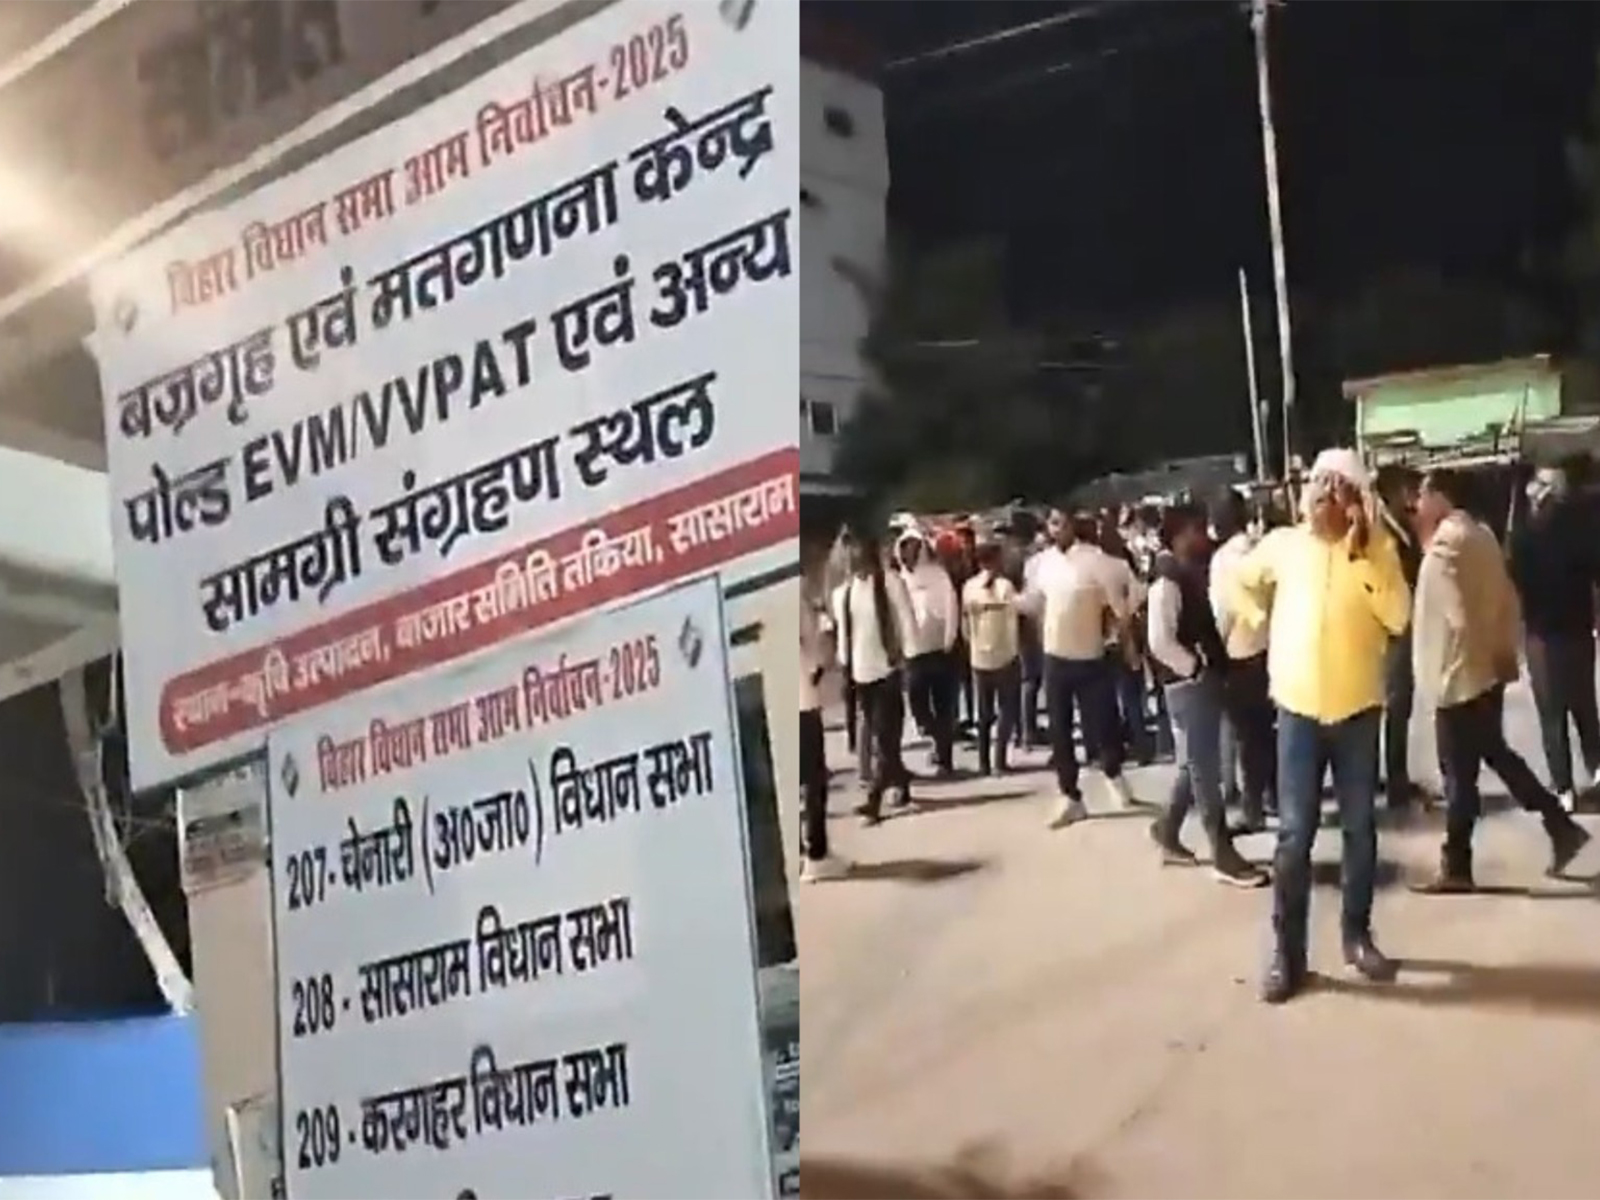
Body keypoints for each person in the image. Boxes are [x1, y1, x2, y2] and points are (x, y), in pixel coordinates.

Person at [1228, 448, 1411, 1004]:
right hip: (1299, 710)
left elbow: (1399, 616)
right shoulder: (1283, 546)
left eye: (1335, 490)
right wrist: (1260, 620)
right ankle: (1289, 954)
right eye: (1315, 486)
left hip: (1357, 712)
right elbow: (1237, 582)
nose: (1320, 498)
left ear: (1356, 501)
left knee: (1359, 830)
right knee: (1294, 836)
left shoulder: (1378, 553)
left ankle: (1357, 937)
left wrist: (1366, 548)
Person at [1410, 469, 1591, 891]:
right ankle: (1555, 826)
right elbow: (1508, 598)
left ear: (1441, 497)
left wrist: (1481, 654)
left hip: (1456, 680)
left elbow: (1458, 617)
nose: (1417, 504)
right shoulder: (1484, 536)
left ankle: (1459, 864)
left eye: (1423, 494)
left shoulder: (1443, 549)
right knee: (1493, 758)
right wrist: (1502, 655)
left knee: (1460, 775)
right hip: (1483, 673)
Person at [1147, 503, 1268, 886]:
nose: (1205, 537)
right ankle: (1222, 852)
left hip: (1202, 679)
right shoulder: (1166, 580)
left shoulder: (1187, 572)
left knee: (1192, 762)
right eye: (1197, 530)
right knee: (1205, 769)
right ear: (1179, 535)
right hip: (1188, 685)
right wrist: (1194, 668)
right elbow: (1159, 640)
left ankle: (1167, 829)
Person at [1023, 507, 1138, 826]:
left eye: (1061, 522)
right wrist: (1009, 602)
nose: (1055, 528)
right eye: (1051, 523)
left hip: (1090, 657)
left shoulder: (1095, 560)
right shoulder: (1040, 564)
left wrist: (1126, 642)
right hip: (1055, 657)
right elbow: (1034, 603)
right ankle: (1071, 796)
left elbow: (1120, 605)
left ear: (1073, 526)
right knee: (1060, 730)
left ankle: (1114, 773)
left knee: (1103, 726)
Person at [1509, 462, 1600, 809]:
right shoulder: (1581, 531)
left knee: (1552, 715)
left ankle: (1563, 788)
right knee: (1584, 707)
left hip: (1542, 638)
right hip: (1577, 632)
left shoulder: (1526, 536)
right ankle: (1595, 769)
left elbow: (1513, 575)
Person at [835, 535, 916, 825]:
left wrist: (907, 656)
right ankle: (902, 782)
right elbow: (845, 634)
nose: (853, 560)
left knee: (885, 737)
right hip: (861, 674)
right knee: (885, 739)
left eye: (857, 553)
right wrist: (844, 668)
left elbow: (907, 620)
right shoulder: (843, 593)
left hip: (887, 671)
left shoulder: (889, 583)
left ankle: (874, 800)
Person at [1209, 489, 1276, 831]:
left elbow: (1223, 613)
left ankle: (1253, 809)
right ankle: (1275, 797)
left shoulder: (1223, 560)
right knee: (1268, 731)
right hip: (1270, 650)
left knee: (1247, 737)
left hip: (1239, 654)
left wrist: (1212, 653)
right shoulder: (1261, 549)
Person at [1374, 464, 1424, 813]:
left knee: (1401, 705)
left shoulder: (1401, 527)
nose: (1415, 498)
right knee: (1396, 703)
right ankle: (1395, 781)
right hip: (1390, 631)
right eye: (1411, 490)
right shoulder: (1380, 533)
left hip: (1404, 625)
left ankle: (1397, 775)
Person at [895, 529, 961, 776]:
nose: (909, 553)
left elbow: (951, 607)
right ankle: (934, 735)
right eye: (904, 548)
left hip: (940, 650)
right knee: (918, 706)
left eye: (913, 547)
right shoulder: (899, 580)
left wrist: (950, 638)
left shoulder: (938, 575)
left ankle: (945, 759)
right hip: (913, 653)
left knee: (944, 706)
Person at [800, 590, 850, 881]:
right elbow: (814, 644)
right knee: (814, 779)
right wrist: (818, 666)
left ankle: (812, 851)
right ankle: (816, 853)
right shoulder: (797, 596)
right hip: (803, 700)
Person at [962, 539, 1022, 775]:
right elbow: (1012, 622)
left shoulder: (969, 587)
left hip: (980, 657)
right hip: (1004, 655)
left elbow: (966, 624)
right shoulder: (1005, 587)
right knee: (1007, 710)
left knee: (984, 713)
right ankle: (999, 759)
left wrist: (973, 645)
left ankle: (984, 761)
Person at [1098, 513, 1154, 763]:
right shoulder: (1121, 565)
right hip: (1124, 635)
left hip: (1101, 641)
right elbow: (1139, 595)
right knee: (1132, 697)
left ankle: (1115, 748)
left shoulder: (1092, 568)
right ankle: (1140, 745)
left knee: (1109, 700)